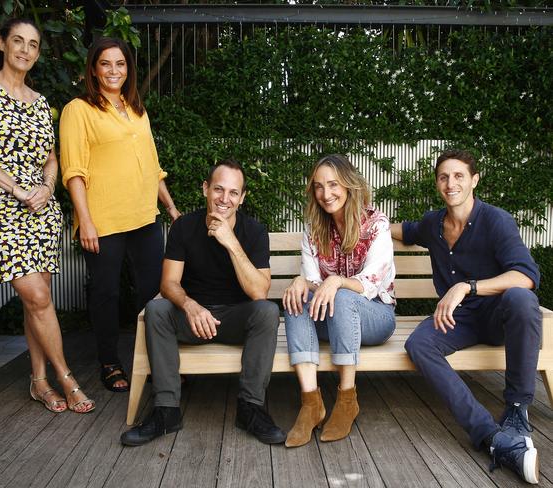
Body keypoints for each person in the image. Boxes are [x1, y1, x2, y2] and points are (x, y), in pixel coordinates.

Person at [0, 18, 94, 414]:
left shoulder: (38, 102)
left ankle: (38, 381)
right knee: (35, 295)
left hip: (40, 208)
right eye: (17, 41)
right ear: (2, 43)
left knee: (40, 300)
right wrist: (15, 188)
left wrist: (49, 188)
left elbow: (51, 160)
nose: (25, 50)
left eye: (33, 44)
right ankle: (66, 377)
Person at [390, 149, 542, 484]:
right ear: (437, 183)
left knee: (521, 299)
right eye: (444, 176)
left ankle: (517, 410)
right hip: (458, 320)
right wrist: (369, 224)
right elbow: (405, 229)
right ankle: (492, 437)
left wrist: (466, 287)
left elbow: (526, 276)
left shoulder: (496, 220)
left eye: (459, 175)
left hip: (496, 315)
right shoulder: (433, 224)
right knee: (419, 344)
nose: (451, 183)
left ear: (474, 180)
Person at [120, 159, 286, 446]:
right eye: (218, 189)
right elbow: (169, 283)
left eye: (233, 193)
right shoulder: (184, 227)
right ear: (205, 189)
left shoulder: (254, 231)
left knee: (267, 312)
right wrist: (190, 305)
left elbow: (259, 292)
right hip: (193, 319)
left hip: (236, 319)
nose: (225, 199)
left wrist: (230, 241)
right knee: (157, 309)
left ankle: (250, 409)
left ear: (242, 198)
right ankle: (166, 411)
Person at [59, 37, 180, 393]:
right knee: (106, 294)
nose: (114, 71)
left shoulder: (135, 108)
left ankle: (159, 362)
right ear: (93, 69)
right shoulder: (78, 110)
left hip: (144, 216)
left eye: (121, 64)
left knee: (153, 292)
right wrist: (86, 220)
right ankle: (109, 363)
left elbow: (153, 166)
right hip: (104, 220)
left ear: (129, 69)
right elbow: (73, 171)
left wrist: (170, 207)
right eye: (106, 64)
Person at [282, 155, 396, 448]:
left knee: (344, 295)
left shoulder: (376, 224)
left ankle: (347, 399)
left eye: (333, 184)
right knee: (296, 296)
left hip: (376, 318)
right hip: (331, 319)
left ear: (349, 185)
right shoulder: (313, 230)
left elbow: (371, 282)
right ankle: (311, 403)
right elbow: (312, 283)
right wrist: (300, 282)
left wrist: (337, 281)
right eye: (319, 186)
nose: (326, 193)